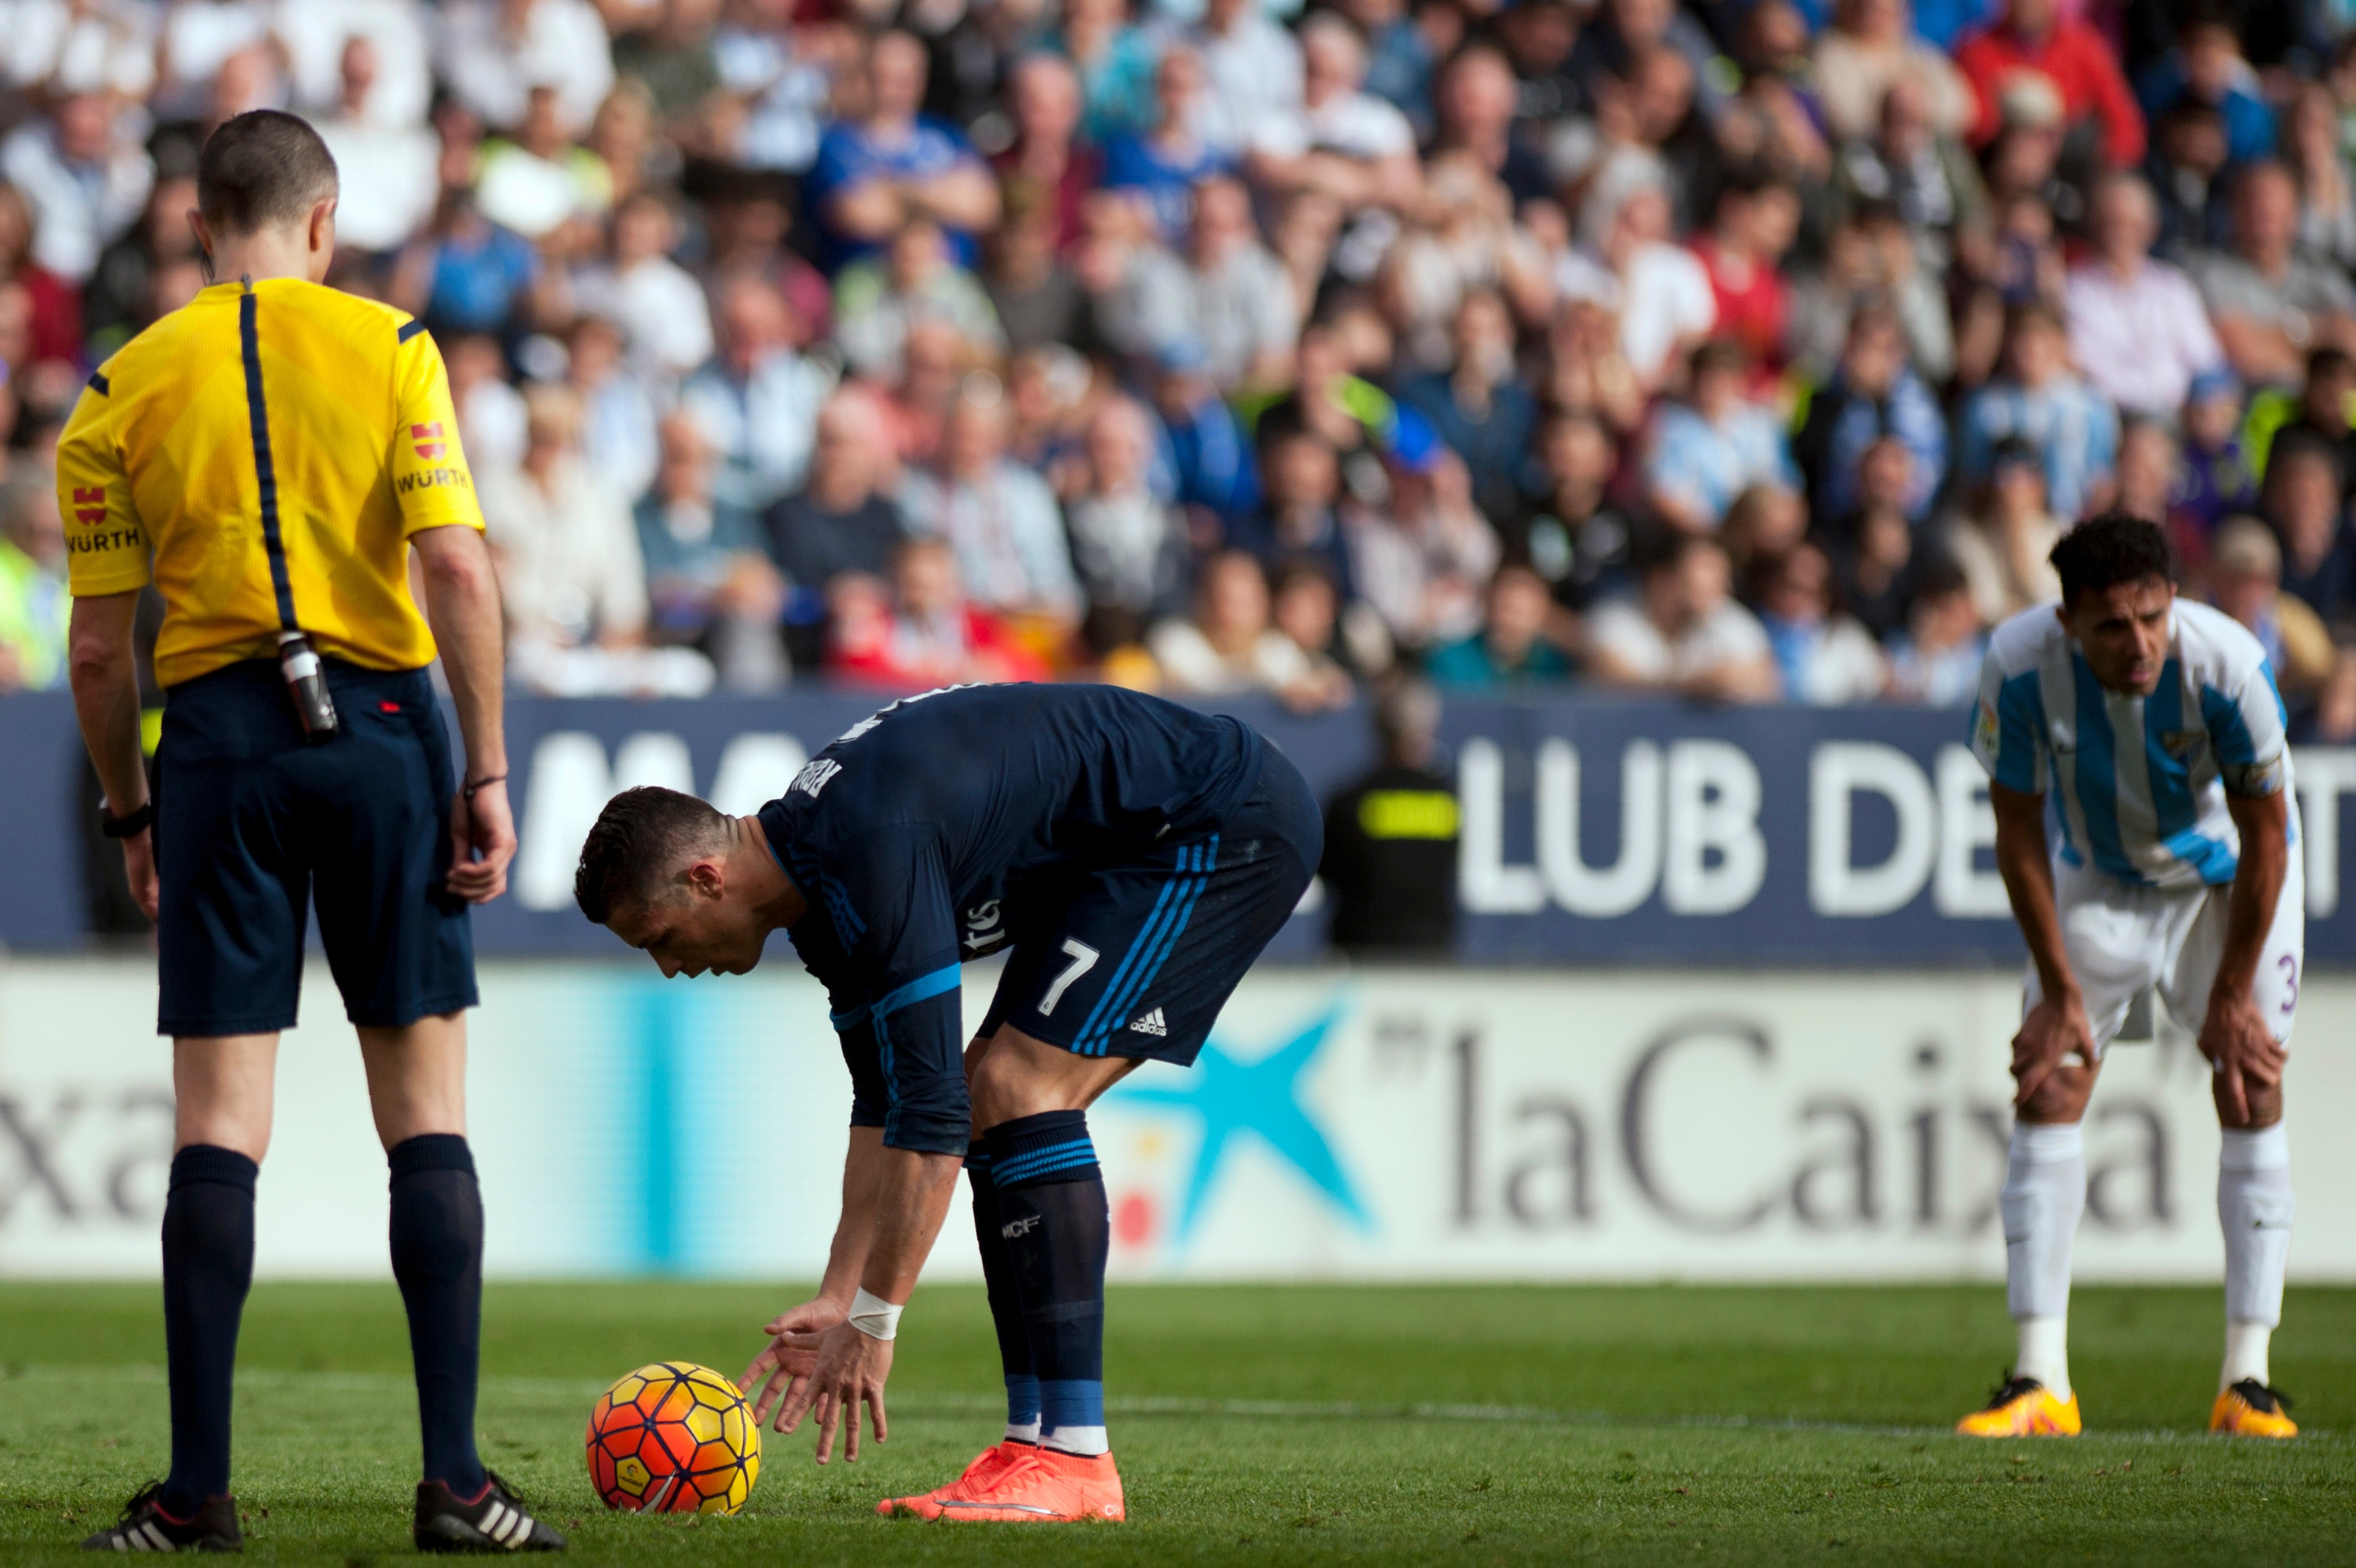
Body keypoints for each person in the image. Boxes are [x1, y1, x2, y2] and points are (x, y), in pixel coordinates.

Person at [56, 111, 556, 1553]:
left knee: (217, 1130)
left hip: (217, 742)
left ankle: (196, 1492)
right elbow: (455, 563)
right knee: (427, 1116)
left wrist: (130, 808)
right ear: (324, 219)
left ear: (200, 224)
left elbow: (100, 655)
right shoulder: (394, 347)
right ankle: (458, 1485)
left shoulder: (117, 388)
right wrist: (488, 770)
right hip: (390, 736)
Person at [569, 683, 1323, 1524]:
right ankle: (1034, 1442)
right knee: (986, 1091)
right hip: (1128, 848)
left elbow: (929, 1129)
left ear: (705, 879)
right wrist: (838, 1292)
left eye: (659, 940)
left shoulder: (868, 851)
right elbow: (885, 1100)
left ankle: (1074, 1458)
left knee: (1013, 1088)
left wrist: (876, 1322)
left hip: (1220, 818)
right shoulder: (816, 894)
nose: (669, 968)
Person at [1959, 514, 2302, 1443]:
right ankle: (2040, 1381)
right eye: (2112, 625)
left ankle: (2246, 1382)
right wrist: (2056, 983)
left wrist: (2229, 993)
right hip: (2097, 875)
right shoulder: (2017, 665)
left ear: (2171, 602)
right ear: (2066, 619)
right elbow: (2016, 827)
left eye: (2151, 616)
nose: (2138, 642)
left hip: (2221, 881)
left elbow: (2267, 832)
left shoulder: (2224, 663)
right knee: (2046, 1080)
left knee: (2247, 1080)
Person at [2063, 173, 2226, 420]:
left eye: (2133, 224)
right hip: (2109, 418)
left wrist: (2209, 405)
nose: (2122, 234)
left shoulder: (2175, 288)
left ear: (2151, 229)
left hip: (2178, 420)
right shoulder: (2073, 291)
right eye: (2113, 223)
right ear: (2094, 224)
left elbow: (2207, 364)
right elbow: (2080, 368)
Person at [1319, 678, 1457, 957]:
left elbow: (1327, 869)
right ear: (1430, 728)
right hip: (1431, 949)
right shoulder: (1447, 798)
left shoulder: (1351, 799)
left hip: (1361, 945)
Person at [1585, 534, 1780, 701]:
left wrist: (1732, 679)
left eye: (1722, 576)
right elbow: (1613, 681)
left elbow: (1766, 680)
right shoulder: (1614, 617)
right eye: (1706, 570)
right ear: (1661, 579)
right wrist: (1693, 688)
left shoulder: (1726, 618)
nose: (1720, 585)